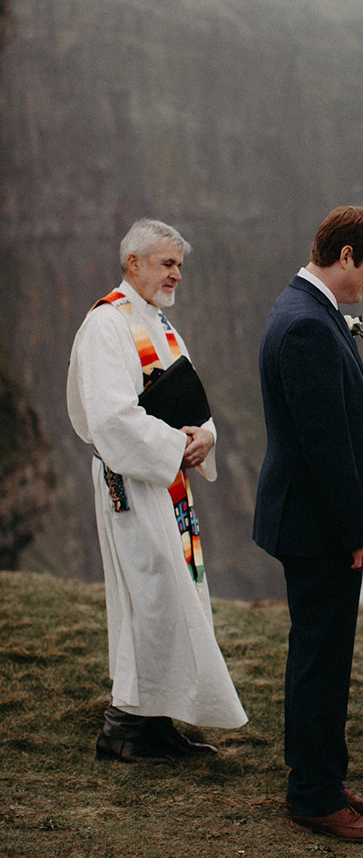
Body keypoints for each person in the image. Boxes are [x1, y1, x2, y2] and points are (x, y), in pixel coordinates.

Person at [67, 218, 246, 763]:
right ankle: (123, 728)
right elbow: (111, 419)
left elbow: (194, 403)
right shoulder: (106, 325)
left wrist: (205, 437)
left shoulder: (162, 326)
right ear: (134, 263)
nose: (176, 274)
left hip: (168, 485)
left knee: (175, 595)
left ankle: (156, 722)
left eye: (180, 267)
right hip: (134, 485)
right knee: (148, 596)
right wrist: (176, 446)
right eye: (167, 264)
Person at [253, 206, 363, 843]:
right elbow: (325, 445)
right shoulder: (308, 326)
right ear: (344, 256)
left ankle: (325, 778)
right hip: (318, 527)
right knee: (320, 658)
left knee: (325, 654)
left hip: (310, 522)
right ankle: (313, 795)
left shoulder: (303, 309)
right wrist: (358, 533)